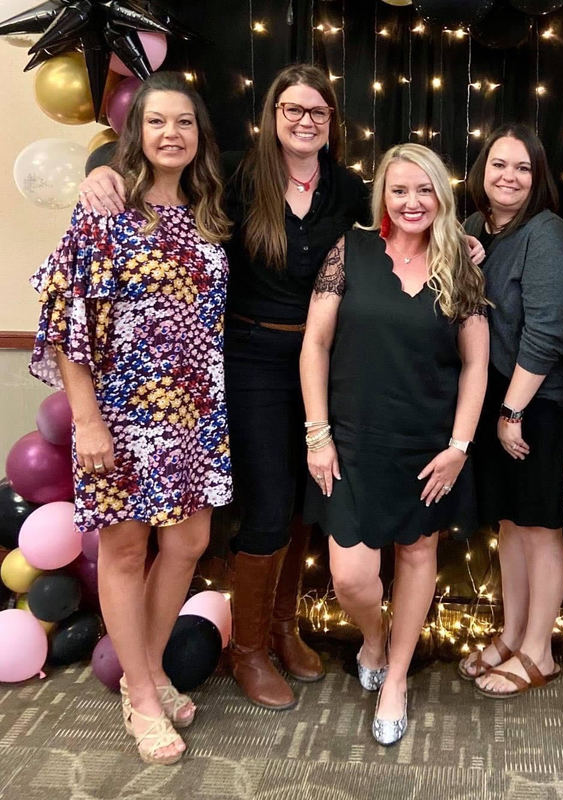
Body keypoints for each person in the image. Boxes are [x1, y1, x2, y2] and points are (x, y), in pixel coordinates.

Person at [78, 64, 369, 710]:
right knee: (265, 505)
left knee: (304, 504)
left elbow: (410, 219)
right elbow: (156, 166)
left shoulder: (348, 191)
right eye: (292, 110)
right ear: (272, 117)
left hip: (324, 361)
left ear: (331, 123)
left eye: (316, 112)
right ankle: (249, 651)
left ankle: (286, 629)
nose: (303, 121)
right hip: (249, 360)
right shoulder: (235, 176)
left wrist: (461, 240)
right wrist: (99, 168)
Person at [30, 72, 232, 764]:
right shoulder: (105, 210)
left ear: (199, 136)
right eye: (157, 122)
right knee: (124, 549)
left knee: (187, 543)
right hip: (122, 413)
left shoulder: (209, 215)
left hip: (196, 412)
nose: (171, 133)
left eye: (184, 122)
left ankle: (144, 670)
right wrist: (87, 422)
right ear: (135, 134)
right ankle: (144, 693)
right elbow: (66, 323)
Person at [300, 143, 488, 745]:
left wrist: (459, 445)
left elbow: (476, 365)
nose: (412, 202)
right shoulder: (349, 251)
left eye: (424, 190)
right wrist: (317, 433)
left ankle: (397, 677)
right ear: (383, 194)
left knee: (415, 556)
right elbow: (315, 345)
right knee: (352, 576)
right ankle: (374, 638)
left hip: (427, 444)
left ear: (442, 196)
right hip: (350, 441)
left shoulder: (460, 262)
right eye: (400, 190)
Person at [459, 125, 563, 699]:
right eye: (499, 165)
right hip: (493, 397)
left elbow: (548, 332)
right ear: (483, 170)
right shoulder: (470, 229)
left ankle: (540, 650)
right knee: (508, 524)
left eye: (523, 169)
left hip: (535, 402)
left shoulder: (546, 233)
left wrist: (512, 412)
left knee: (538, 528)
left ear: (538, 178)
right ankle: (511, 634)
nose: (509, 177)